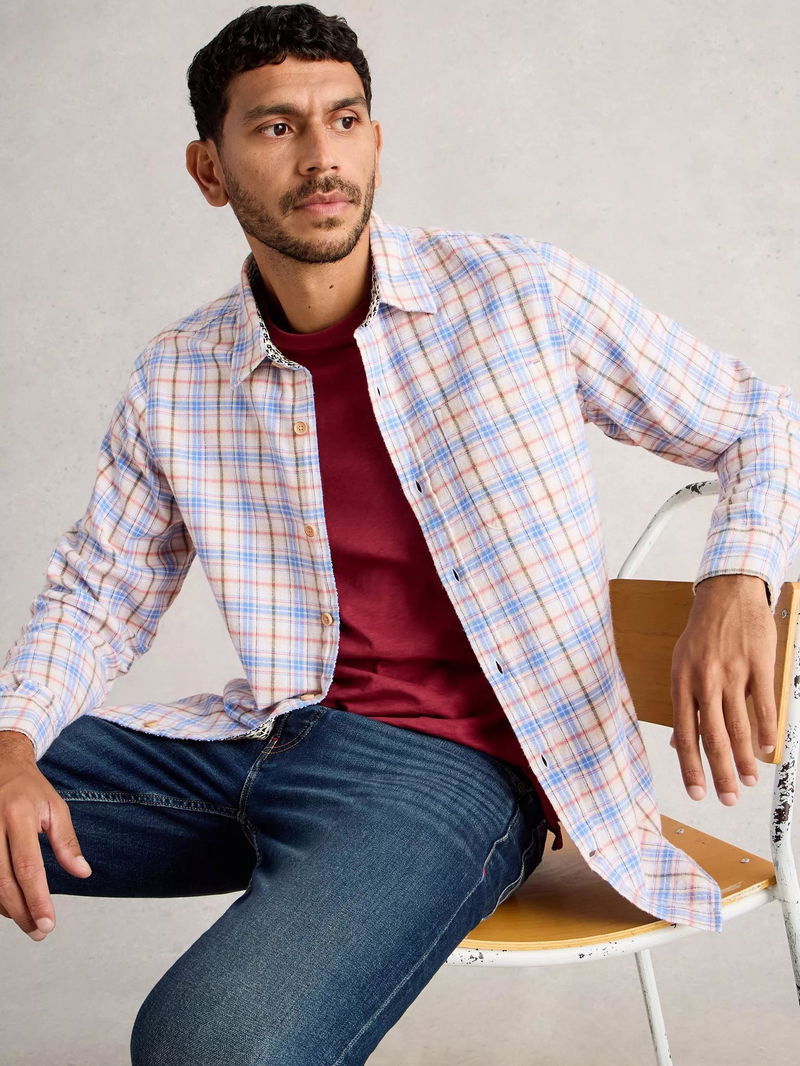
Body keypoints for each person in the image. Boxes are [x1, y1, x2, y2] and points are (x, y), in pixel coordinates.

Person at [1, 4, 798, 1063]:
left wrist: (734, 579)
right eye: (276, 127)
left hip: (455, 776)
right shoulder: (179, 374)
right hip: (268, 734)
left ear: (375, 139)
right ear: (209, 169)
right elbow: (97, 596)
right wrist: (13, 742)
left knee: (208, 1045)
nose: (320, 156)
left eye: (344, 120)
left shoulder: (518, 296)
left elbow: (762, 419)